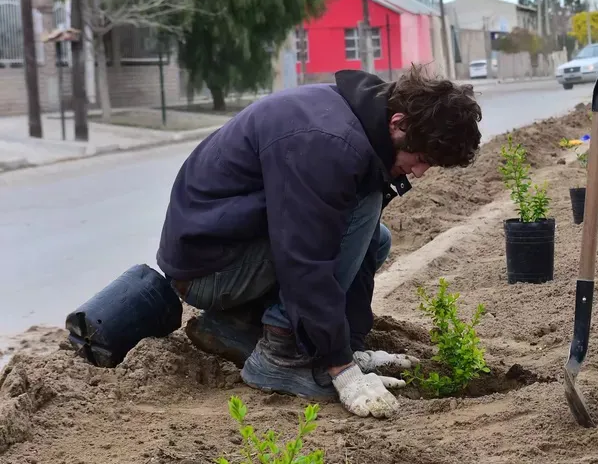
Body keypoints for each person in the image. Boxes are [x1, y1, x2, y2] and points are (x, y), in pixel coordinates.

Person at [156, 66, 482, 419]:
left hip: (228, 248)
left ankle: (237, 324)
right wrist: (341, 368)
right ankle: (280, 356)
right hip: (210, 271)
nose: (419, 173)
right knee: (361, 209)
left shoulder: (356, 119)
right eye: (421, 160)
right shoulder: (329, 144)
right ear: (399, 123)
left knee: (376, 237)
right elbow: (305, 260)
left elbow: (338, 242)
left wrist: (351, 346)